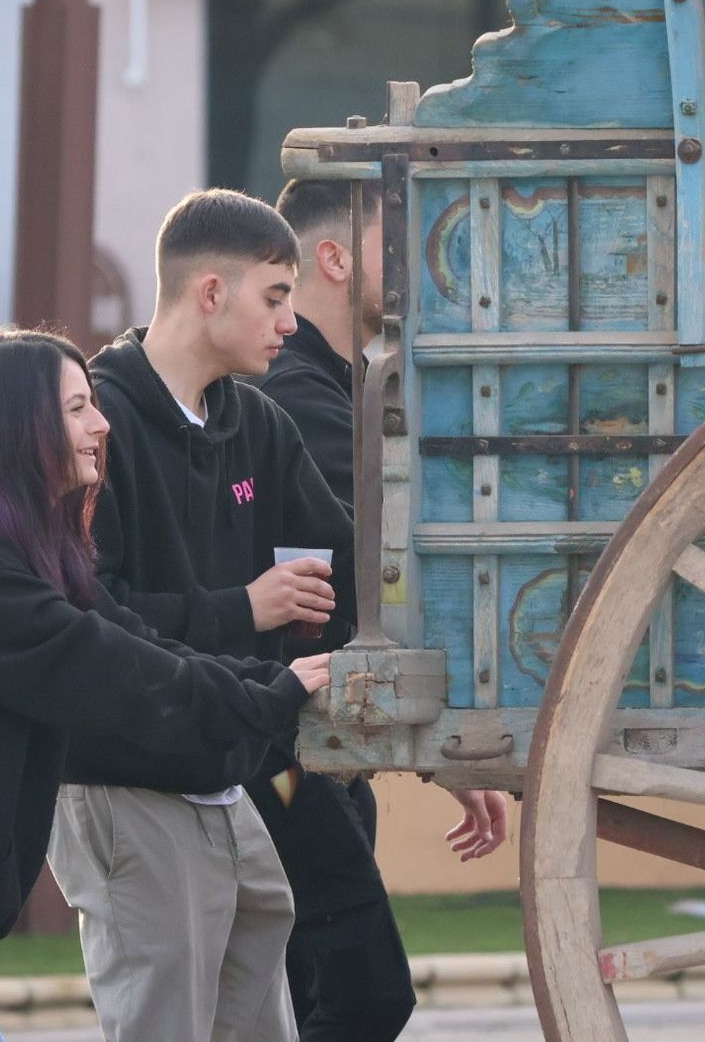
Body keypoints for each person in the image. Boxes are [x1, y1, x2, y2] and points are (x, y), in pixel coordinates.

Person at [0, 328, 331, 1042]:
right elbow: (115, 674)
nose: (101, 424)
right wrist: (269, 699)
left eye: (94, 404)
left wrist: (267, 680)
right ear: (20, 426)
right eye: (77, 408)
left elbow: (137, 640)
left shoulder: (26, 554)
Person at [47, 189, 353, 1041]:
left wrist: (449, 729)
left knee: (276, 984)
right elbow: (89, 615)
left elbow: (349, 565)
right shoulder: (94, 427)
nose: (291, 323)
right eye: (276, 296)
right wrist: (241, 609)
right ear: (210, 291)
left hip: (226, 772)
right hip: (123, 777)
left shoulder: (258, 422)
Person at [254, 177, 511, 1040]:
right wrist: (446, 746)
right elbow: (378, 580)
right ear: (333, 256)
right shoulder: (298, 397)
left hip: (317, 752)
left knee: (315, 998)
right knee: (361, 995)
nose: (418, 264)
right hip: (283, 758)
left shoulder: (341, 388)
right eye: (393, 242)